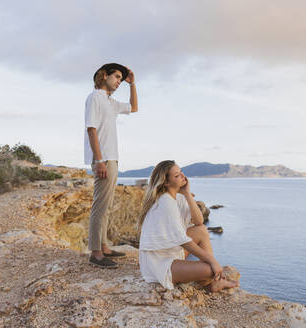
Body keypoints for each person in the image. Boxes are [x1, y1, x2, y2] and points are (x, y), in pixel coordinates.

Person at [138, 160, 239, 291]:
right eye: (176, 175)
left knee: (201, 230)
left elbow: (199, 222)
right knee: (210, 269)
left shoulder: (177, 197)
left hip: (170, 251)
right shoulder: (165, 202)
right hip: (159, 263)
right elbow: (183, 241)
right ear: (166, 182)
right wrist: (212, 261)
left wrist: (187, 194)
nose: (182, 176)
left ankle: (213, 281)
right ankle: (212, 281)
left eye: (181, 172)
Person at [85, 63, 138, 268]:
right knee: (100, 206)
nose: (118, 81)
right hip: (104, 158)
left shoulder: (109, 101)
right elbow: (91, 129)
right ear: (104, 75)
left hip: (112, 157)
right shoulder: (95, 97)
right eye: (116, 77)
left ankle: (104, 246)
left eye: (120, 78)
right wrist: (99, 160)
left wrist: (132, 85)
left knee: (106, 206)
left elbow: (133, 108)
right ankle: (96, 253)